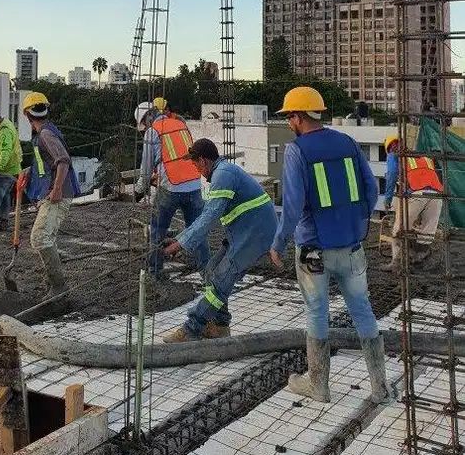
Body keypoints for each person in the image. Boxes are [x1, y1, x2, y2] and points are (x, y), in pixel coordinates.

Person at [270, 86, 394, 405]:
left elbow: (293, 205)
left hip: (313, 247)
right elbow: (370, 191)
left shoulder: (298, 151)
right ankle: (380, 388)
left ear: (298, 117)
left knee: (317, 311)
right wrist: (355, 223)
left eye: (289, 117)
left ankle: (319, 385)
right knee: (362, 310)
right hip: (352, 245)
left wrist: (279, 241)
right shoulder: (348, 142)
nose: (288, 123)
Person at [161, 138, 277, 341]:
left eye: (195, 163)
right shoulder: (223, 172)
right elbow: (206, 215)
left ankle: (191, 329)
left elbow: (208, 219)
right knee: (212, 271)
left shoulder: (223, 175)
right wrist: (179, 239)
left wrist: (180, 244)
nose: (196, 169)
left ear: (203, 161)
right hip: (246, 231)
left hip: (255, 234)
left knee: (221, 281)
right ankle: (220, 326)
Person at [134, 97, 205, 279]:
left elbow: (146, 167)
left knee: (157, 229)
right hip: (194, 184)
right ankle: (206, 269)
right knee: (197, 228)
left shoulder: (153, 132)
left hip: (171, 187)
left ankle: (154, 271)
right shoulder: (180, 124)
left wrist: (140, 190)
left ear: (147, 119)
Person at [21, 92, 80, 301]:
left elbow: (62, 160)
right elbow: (46, 162)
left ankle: (58, 287)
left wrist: (56, 189)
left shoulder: (45, 134)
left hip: (58, 194)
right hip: (53, 191)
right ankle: (52, 283)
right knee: (46, 237)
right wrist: (29, 172)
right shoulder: (44, 133)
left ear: (27, 115)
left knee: (40, 237)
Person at [382, 135, 442, 270]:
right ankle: (419, 260)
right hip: (437, 194)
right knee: (427, 230)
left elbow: (391, 174)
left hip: (416, 192)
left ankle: (397, 263)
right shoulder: (422, 155)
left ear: (391, 147)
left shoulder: (395, 155)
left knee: (399, 229)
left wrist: (387, 199)